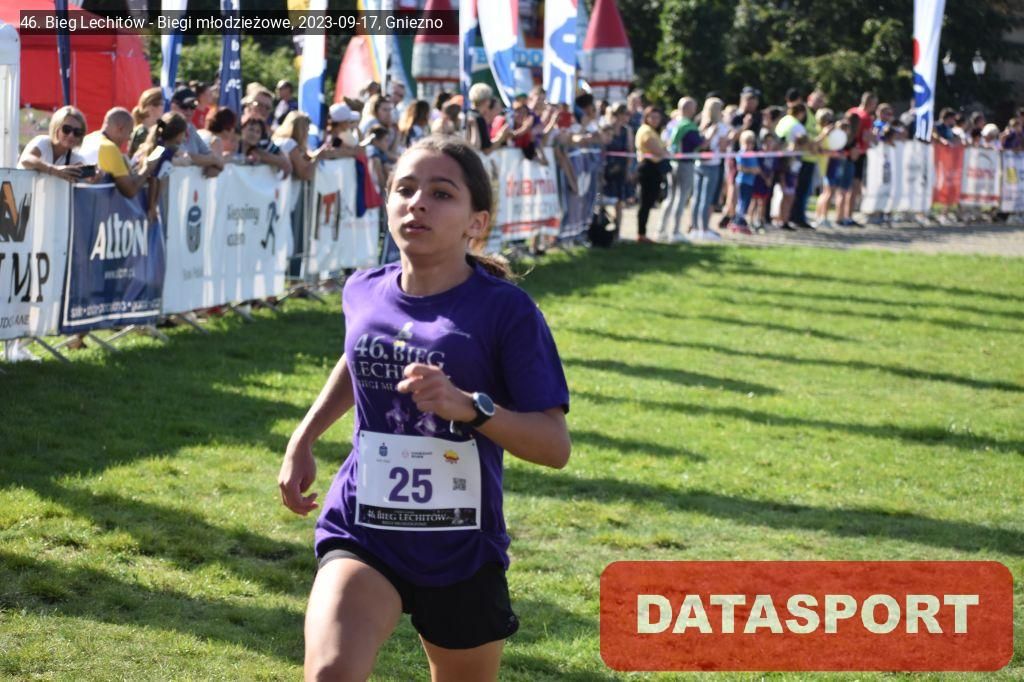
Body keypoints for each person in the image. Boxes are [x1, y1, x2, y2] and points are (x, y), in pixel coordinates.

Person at [278, 134, 571, 681]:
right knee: (330, 673)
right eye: (405, 189)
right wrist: (305, 436)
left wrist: (471, 408)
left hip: (460, 542)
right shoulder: (362, 291)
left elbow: (555, 447)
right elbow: (359, 358)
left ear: (475, 223)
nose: (418, 204)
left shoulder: (506, 311)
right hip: (365, 526)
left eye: (441, 193)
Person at [80, 107, 154, 198]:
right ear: (120, 129)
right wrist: (148, 167)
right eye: (129, 133)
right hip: (93, 203)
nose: (129, 138)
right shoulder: (109, 148)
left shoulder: (88, 139)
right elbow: (130, 190)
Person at [658, 96, 701, 242]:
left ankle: (661, 230)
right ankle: (675, 231)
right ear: (689, 108)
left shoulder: (671, 124)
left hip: (673, 163)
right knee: (681, 198)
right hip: (685, 164)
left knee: (670, 197)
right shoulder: (689, 126)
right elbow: (699, 144)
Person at [133, 111, 189, 221]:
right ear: (176, 133)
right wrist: (152, 206)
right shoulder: (159, 150)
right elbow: (154, 177)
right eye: (183, 133)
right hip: (141, 198)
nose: (184, 138)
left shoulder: (163, 146)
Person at [691, 97, 729, 240]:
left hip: (698, 164)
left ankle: (695, 228)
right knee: (706, 198)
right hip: (712, 164)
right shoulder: (721, 127)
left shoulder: (700, 124)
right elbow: (723, 148)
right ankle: (704, 229)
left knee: (697, 197)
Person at [18, 105, 88, 182]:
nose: (71, 135)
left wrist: (92, 176)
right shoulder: (43, 141)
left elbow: (84, 176)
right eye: (67, 129)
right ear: (56, 129)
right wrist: (55, 170)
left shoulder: (75, 158)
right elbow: (26, 159)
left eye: (77, 132)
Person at [634, 105, 668, 243]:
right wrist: (664, 152)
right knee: (645, 203)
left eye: (657, 117)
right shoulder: (646, 131)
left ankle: (642, 233)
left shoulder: (653, 131)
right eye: (652, 117)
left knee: (648, 203)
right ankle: (641, 234)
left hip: (654, 169)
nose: (655, 120)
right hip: (647, 169)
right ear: (646, 118)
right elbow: (658, 151)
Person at [273, 110, 320, 181]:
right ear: (300, 129)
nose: (307, 132)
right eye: (306, 128)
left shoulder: (283, 140)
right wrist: (319, 157)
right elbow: (304, 174)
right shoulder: (289, 143)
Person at [128, 87, 164, 158]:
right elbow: (148, 157)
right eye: (162, 104)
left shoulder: (161, 125)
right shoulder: (141, 132)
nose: (165, 107)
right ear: (151, 107)